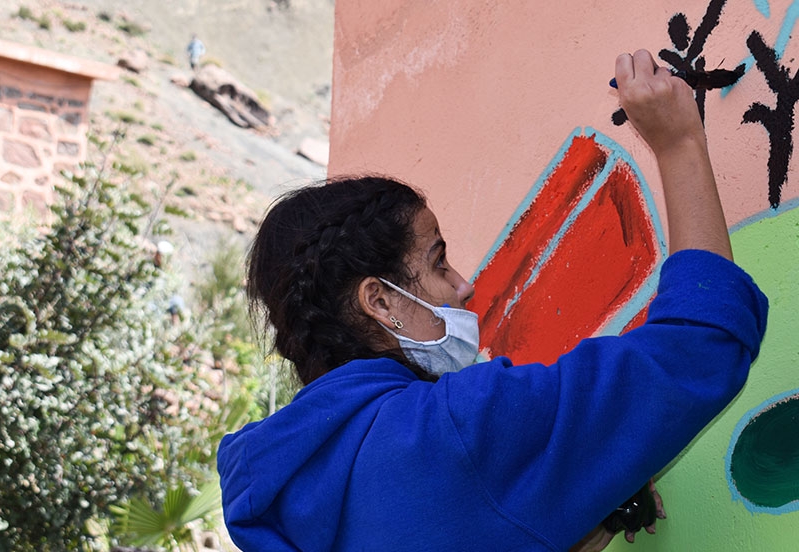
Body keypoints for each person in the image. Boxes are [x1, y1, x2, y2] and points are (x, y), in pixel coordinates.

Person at [217, 49, 770, 551]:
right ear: (379, 303)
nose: (463, 285)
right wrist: (678, 144)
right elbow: (701, 344)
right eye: (437, 261)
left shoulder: (284, 490)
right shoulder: (452, 430)